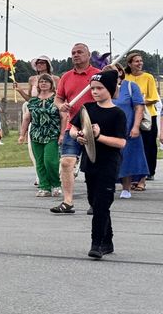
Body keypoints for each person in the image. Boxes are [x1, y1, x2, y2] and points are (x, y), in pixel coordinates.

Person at [68, 69, 127, 259]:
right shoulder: (87, 108)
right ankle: (108, 241)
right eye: (92, 88)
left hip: (109, 164)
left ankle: (97, 244)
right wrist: (78, 135)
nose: (94, 91)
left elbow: (121, 142)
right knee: (94, 201)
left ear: (109, 89)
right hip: (90, 161)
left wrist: (98, 136)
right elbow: (73, 128)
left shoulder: (118, 114)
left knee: (101, 205)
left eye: (99, 88)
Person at [50, 43, 101, 214]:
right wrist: (61, 106)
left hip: (94, 126)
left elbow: (112, 94)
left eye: (79, 52)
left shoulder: (98, 74)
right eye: (73, 53)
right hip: (73, 125)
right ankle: (67, 202)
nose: (75, 55)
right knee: (66, 162)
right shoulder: (66, 76)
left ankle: (95, 202)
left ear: (88, 55)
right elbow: (58, 99)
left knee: (93, 166)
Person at [17, 74, 62, 197]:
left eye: (46, 81)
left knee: (50, 161)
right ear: (38, 85)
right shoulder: (33, 101)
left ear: (51, 84)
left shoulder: (57, 99)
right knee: (40, 162)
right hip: (36, 134)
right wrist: (22, 135)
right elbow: (27, 118)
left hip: (52, 133)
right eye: (41, 81)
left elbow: (64, 117)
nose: (44, 83)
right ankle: (44, 186)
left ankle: (55, 184)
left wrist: (62, 134)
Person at [107, 63, 147, 198]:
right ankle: (108, 186)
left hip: (127, 128)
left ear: (120, 72)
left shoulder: (131, 86)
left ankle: (126, 188)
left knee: (128, 158)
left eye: (113, 71)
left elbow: (139, 107)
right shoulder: (103, 88)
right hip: (108, 129)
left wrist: (135, 127)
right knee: (108, 159)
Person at [124, 51, 160, 186]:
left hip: (147, 116)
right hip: (130, 116)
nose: (140, 63)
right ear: (129, 64)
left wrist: (138, 101)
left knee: (148, 145)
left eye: (141, 61)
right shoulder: (126, 77)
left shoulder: (148, 77)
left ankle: (149, 171)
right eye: (136, 61)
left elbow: (154, 98)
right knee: (131, 144)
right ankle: (132, 173)